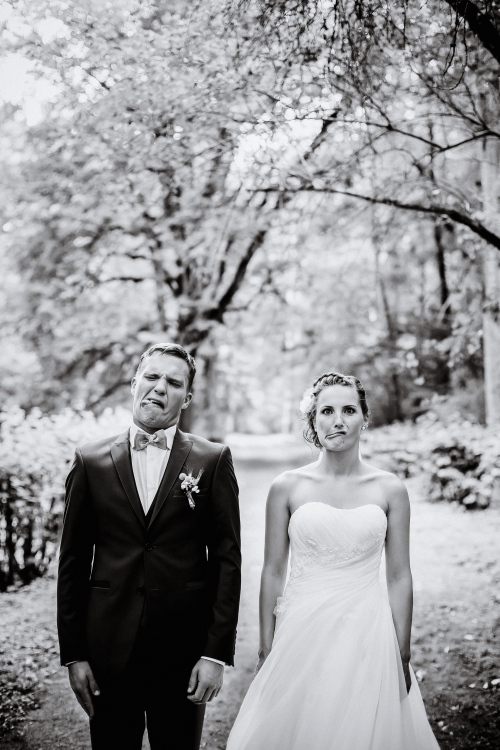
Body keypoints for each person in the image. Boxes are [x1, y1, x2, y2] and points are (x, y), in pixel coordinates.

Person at [226, 372, 440, 750]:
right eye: (326, 411)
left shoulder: (390, 489)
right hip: (301, 629)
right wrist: (266, 645)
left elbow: (399, 575)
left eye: (349, 410)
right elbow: (273, 570)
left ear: (365, 418)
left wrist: (402, 650)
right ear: (313, 419)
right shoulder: (287, 487)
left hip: (368, 631)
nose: (337, 420)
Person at [57, 343, 241, 750]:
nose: (160, 387)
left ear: (186, 398)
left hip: (183, 652)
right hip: (108, 650)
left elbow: (227, 562)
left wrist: (214, 654)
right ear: (134, 383)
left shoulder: (212, 460)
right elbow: (72, 563)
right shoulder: (89, 461)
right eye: (152, 377)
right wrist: (74, 654)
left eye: (173, 382)